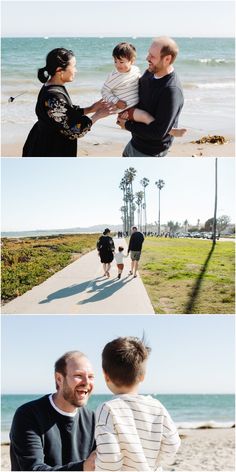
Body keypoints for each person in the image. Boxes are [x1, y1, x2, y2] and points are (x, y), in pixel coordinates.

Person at [95, 336, 181, 471]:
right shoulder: (156, 406)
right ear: (142, 376)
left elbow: (109, 459)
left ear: (106, 376)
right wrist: (152, 462)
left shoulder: (108, 409)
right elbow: (173, 443)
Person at [10, 351, 97, 471]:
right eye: (78, 375)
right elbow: (33, 468)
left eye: (91, 376)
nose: (87, 382)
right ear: (59, 379)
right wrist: (83, 467)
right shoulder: (27, 415)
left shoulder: (92, 419)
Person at [22, 48, 114, 157]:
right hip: (50, 148)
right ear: (60, 70)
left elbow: (65, 112)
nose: (76, 70)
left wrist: (90, 108)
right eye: (73, 66)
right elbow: (74, 131)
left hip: (43, 140)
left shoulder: (51, 86)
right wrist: (97, 116)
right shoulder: (53, 96)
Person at [117, 37, 185, 157]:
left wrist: (126, 125)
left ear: (167, 59)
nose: (147, 58)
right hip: (134, 143)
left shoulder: (171, 90)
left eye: (152, 56)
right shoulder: (150, 72)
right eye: (149, 53)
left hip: (149, 153)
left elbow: (157, 132)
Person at [102, 42, 186, 135]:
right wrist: (116, 101)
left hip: (135, 108)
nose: (118, 65)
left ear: (132, 61)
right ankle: (170, 130)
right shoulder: (115, 76)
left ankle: (167, 130)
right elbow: (105, 91)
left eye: (121, 62)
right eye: (115, 61)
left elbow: (139, 82)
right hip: (126, 109)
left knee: (145, 117)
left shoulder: (136, 70)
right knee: (144, 116)